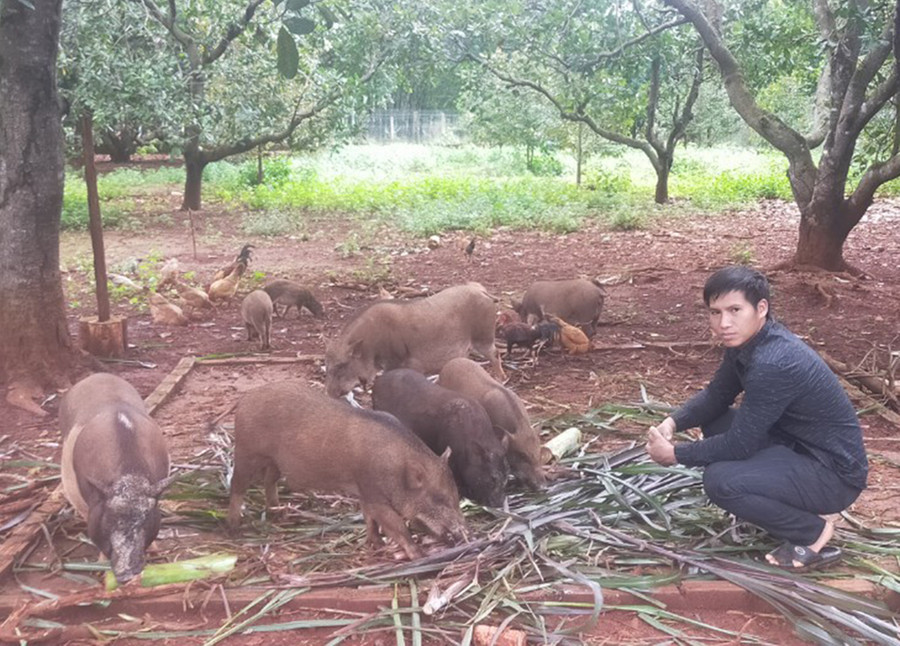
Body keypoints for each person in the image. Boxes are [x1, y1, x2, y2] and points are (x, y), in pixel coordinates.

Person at [645, 266, 868, 571]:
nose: (724, 323)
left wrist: (675, 454)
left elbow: (740, 445)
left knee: (720, 482)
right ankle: (778, 503)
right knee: (716, 421)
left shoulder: (774, 362)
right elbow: (716, 396)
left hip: (833, 476)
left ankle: (810, 532)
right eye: (715, 312)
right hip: (799, 449)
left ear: (761, 308)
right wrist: (672, 422)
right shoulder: (750, 343)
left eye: (735, 310)